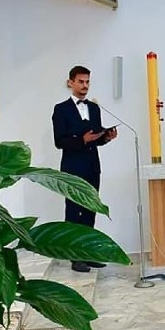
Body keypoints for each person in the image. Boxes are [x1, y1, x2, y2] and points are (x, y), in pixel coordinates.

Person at [52, 65, 117, 273]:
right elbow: (59, 141)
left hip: (92, 165)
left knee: (90, 209)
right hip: (72, 167)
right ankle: (74, 256)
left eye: (87, 82)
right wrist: (81, 140)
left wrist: (105, 138)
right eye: (81, 81)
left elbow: (95, 139)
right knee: (73, 210)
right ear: (70, 82)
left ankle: (88, 253)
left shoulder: (95, 108)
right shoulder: (61, 109)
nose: (85, 86)